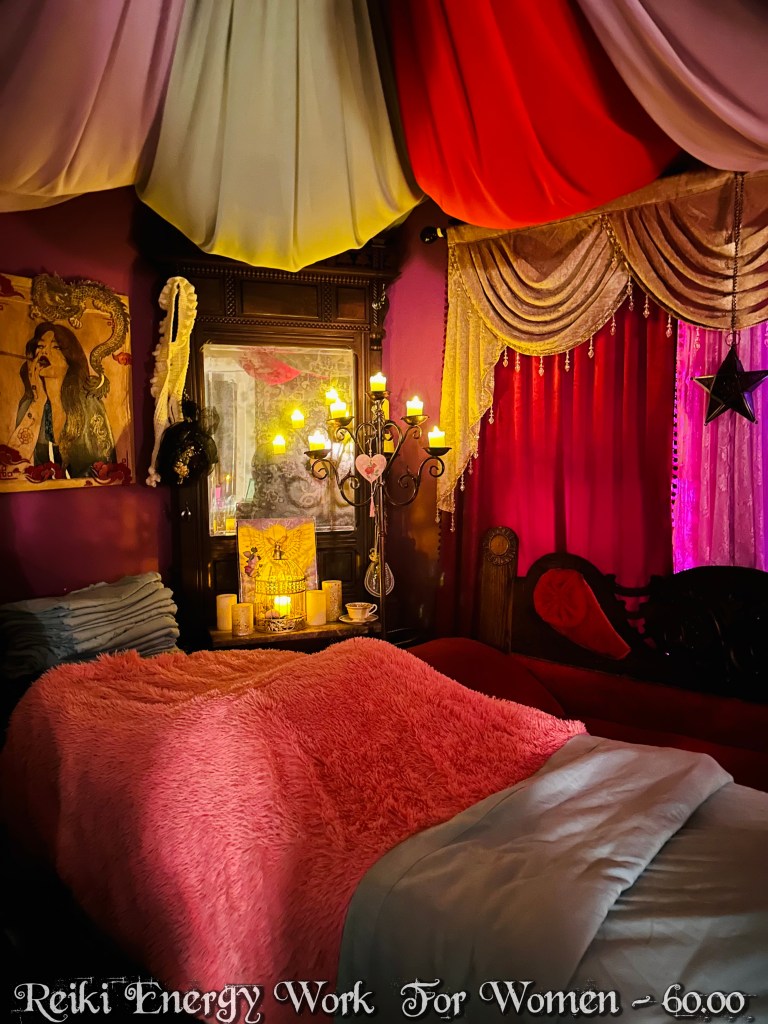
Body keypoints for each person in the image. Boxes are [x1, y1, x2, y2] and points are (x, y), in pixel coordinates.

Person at [8, 321, 116, 478]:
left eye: (56, 347)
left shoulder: (88, 403)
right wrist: (38, 402)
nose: (44, 352)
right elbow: (16, 465)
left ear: (69, 357)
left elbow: (105, 463)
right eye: (40, 346)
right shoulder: (28, 406)